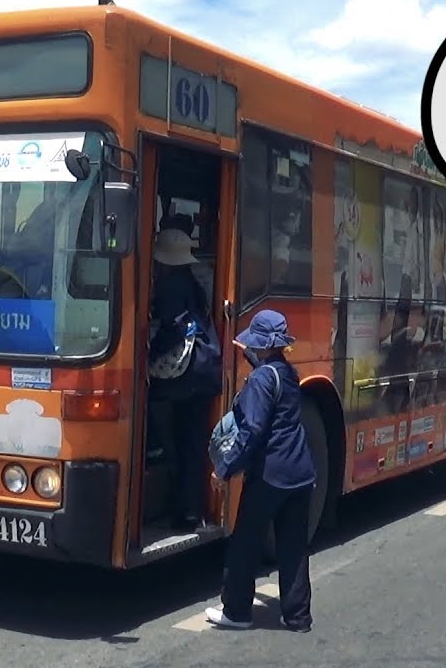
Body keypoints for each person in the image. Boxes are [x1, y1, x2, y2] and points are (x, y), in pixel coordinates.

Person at [206, 310, 315, 633]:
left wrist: (224, 469)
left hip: (270, 475)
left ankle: (237, 612)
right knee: (294, 548)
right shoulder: (289, 372)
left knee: (245, 543)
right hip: (301, 472)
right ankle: (298, 617)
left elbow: (252, 431)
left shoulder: (261, 380)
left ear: (262, 345)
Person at [147, 228, 217, 530]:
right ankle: (192, 510)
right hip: (203, 369)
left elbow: (171, 329)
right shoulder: (193, 281)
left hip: (186, 376)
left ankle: (184, 509)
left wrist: (149, 354)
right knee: (192, 442)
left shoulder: (171, 285)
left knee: (177, 440)